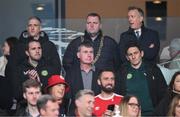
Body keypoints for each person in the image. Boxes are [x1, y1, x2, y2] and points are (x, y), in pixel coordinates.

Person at [118, 41, 167, 116]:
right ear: (127, 57)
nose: (133, 56)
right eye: (130, 54)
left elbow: (164, 93)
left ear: (141, 53)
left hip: (152, 114)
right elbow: (119, 95)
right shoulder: (122, 72)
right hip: (129, 115)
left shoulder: (153, 69)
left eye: (136, 53)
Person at [65, 42, 101, 112]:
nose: (89, 55)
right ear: (78, 55)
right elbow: (67, 97)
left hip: (96, 112)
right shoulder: (71, 73)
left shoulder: (100, 73)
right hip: (76, 112)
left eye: (91, 52)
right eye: (85, 52)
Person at [0, 37, 18, 115]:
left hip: (13, 104)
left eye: (5, 46)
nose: (2, 48)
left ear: (11, 46)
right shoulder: (1, 61)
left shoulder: (17, 63)